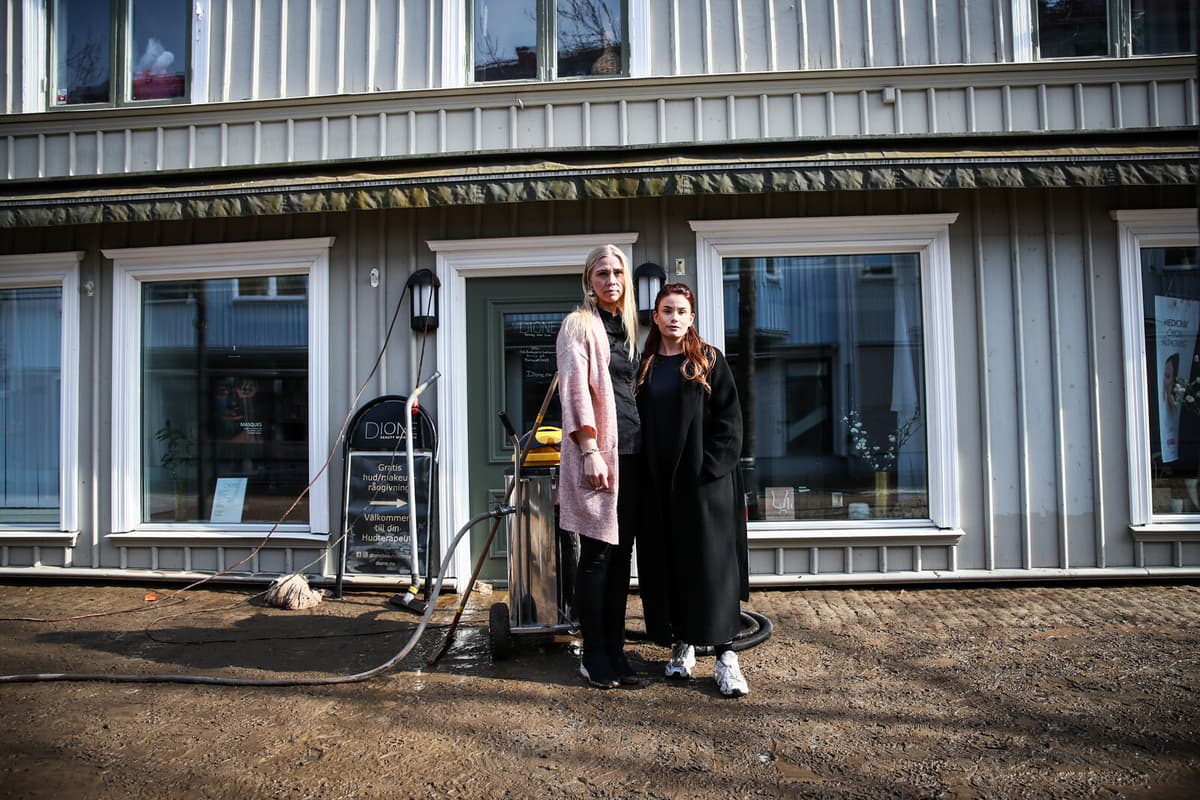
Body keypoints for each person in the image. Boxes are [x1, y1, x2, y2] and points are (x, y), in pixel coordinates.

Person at [635, 283, 751, 697]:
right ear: (656, 315)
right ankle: (682, 644)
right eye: (667, 310)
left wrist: (710, 470)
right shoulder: (644, 366)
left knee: (711, 568)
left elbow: (730, 423)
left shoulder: (707, 361)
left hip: (705, 486)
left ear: (692, 317)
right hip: (659, 485)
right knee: (671, 564)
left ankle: (726, 657)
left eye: (681, 311)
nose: (674, 318)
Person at [556, 244, 642, 689]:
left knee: (620, 559)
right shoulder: (579, 326)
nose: (612, 280)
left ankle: (615, 650)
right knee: (597, 558)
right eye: (603, 273)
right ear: (589, 280)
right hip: (600, 457)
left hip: (632, 456)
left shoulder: (625, 331)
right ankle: (593, 655)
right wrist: (589, 450)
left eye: (618, 273)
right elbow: (575, 392)